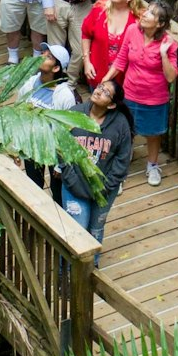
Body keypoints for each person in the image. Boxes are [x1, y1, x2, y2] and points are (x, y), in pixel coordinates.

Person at [102, 0, 178, 186]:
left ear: (160, 23)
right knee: (125, 131)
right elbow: (121, 60)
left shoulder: (168, 43)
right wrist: (105, 80)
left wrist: (162, 54)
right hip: (129, 93)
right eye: (146, 10)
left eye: (151, 13)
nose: (144, 14)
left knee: (153, 134)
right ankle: (120, 168)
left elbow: (170, 77)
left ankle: (152, 165)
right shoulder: (132, 31)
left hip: (154, 98)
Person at [60, 78, 132, 248]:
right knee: (76, 229)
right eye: (100, 87)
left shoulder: (120, 124)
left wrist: (105, 186)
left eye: (106, 92)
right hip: (74, 186)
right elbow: (62, 149)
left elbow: (122, 160)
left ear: (112, 104)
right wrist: (72, 180)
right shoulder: (74, 113)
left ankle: (94, 265)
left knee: (96, 229)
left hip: (105, 189)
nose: (98, 91)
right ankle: (68, 270)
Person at [22, 42, 78, 195]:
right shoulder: (31, 83)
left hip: (54, 149)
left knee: (57, 189)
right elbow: (18, 111)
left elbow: (68, 130)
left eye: (48, 57)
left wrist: (61, 165)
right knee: (33, 186)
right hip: (32, 145)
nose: (42, 57)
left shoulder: (64, 95)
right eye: (43, 53)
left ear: (55, 68)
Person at [81, 0, 142, 89]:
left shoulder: (137, 19)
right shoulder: (99, 9)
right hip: (96, 74)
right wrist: (86, 62)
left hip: (123, 82)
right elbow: (86, 33)